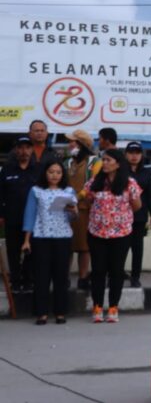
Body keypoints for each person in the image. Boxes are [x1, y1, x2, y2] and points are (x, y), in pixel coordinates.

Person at [85, 148, 142, 323]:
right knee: (98, 271)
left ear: (118, 163)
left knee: (116, 272)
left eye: (109, 160)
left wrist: (119, 216)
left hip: (121, 234)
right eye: (104, 160)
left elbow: (137, 205)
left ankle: (113, 307)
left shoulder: (129, 183)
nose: (105, 163)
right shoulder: (95, 181)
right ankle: (97, 306)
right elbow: (88, 200)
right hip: (97, 233)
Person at [21, 160, 77, 325]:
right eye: (51, 172)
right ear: (45, 173)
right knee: (41, 276)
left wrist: (73, 210)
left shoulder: (68, 191)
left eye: (58, 172)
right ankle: (41, 313)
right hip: (41, 237)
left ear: (62, 174)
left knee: (61, 276)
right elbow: (30, 215)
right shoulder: (36, 191)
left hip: (63, 237)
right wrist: (26, 240)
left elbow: (74, 218)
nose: (54, 175)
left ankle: (60, 312)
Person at [0, 136, 39, 292]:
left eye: (27, 148)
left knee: (31, 249)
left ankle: (28, 279)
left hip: (33, 219)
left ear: (31, 150)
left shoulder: (39, 169)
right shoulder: (7, 169)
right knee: (13, 250)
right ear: (16, 150)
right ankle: (15, 280)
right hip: (12, 217)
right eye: (21, 148)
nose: (24, 151)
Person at [64, 129, 101, 291]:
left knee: (84, 247)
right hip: (65, 208)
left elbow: (94, 184)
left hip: (85, 208)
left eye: (73, 141)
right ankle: (63, 278)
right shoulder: (67, 162)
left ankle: (82, 278)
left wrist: (77, 198)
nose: (69, 144)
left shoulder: (94, 162)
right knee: (66, 246)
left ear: (82, 145)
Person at [124, 141, 151, 288]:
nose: (134, 156)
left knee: (138, 248)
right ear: (126, 154)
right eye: (131, 153)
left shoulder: (145, 173)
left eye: (137, 153)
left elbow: (150, 194)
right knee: (120, 248)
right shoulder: (121, 172)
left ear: (141, 155)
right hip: (121, 216)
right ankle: (117, 273)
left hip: (140, 216)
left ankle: (135, 276)